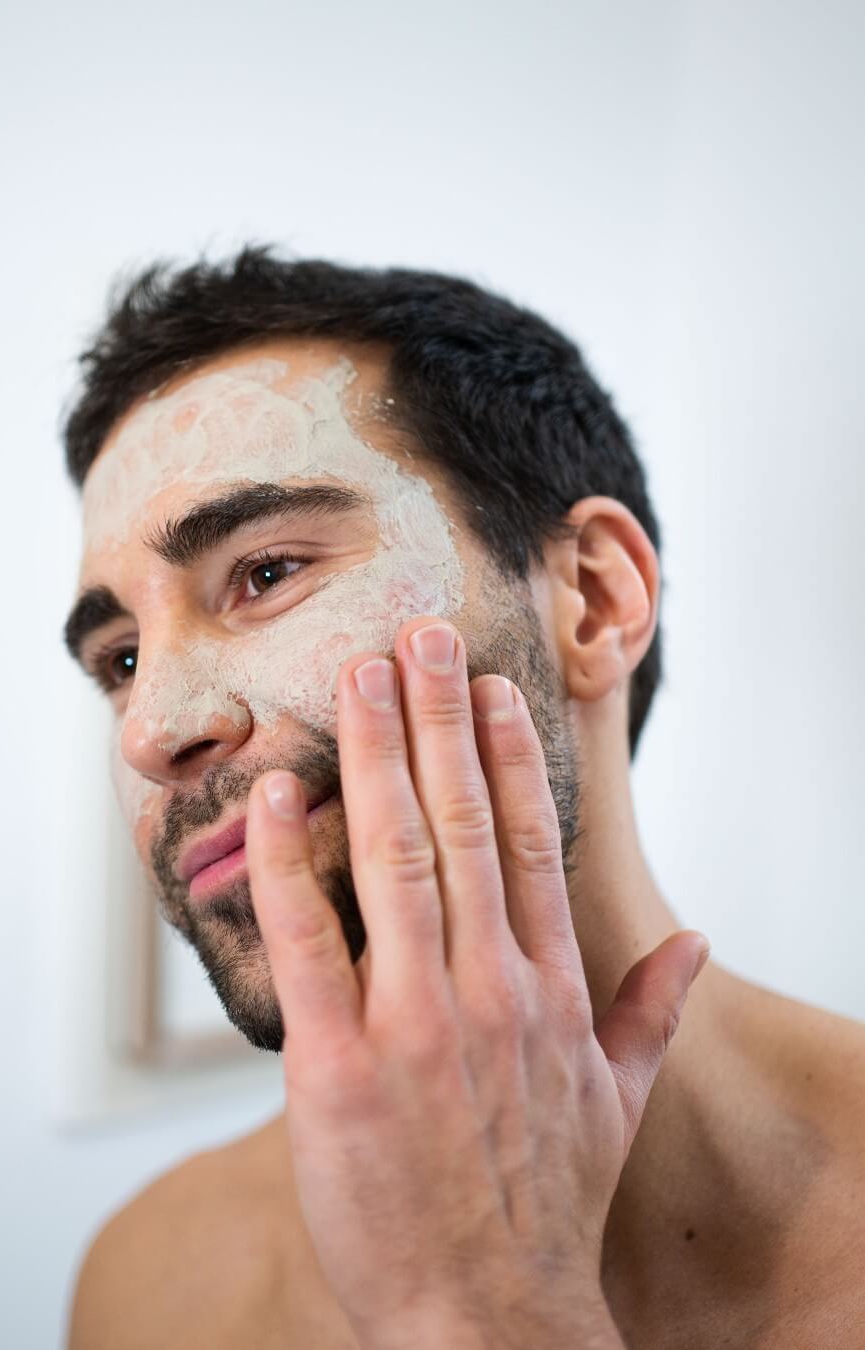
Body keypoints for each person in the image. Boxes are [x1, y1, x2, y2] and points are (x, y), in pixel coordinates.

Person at [61, 247, 865, 1348]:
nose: (152, 730)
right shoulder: (148, 1286)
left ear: (591, 599)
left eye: (265, 572)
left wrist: (487, 1313)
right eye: (118, 659)